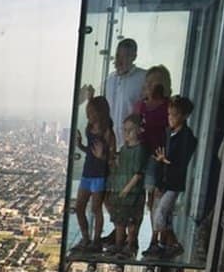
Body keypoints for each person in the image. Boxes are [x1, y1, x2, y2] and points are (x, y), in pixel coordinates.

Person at [149, 94, 197, 258]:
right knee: (165, 216)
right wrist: (158, 182)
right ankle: (167, 245)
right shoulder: (169, 133)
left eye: (174, 115)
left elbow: (181, 162)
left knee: (160, 215)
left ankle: (174, 244)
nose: (170, 118)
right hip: (164, 182)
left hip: (174, 183)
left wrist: (165, 160)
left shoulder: (188, 138)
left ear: (184, 116)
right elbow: (159, 158)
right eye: (169, 114)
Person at [73, 94, 115, 251]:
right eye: (87, 113)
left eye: (91, 113)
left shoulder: (107, 133)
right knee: (79, 207)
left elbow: (112, 158)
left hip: (100, 176)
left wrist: (101, 156)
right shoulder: (89, 129)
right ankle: (85, 238)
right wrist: (80, 146)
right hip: (87, 173)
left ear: (100, 113)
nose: (88, 116)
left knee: (96, 209)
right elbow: (91, 151)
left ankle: (96, 241)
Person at [82, 38, 147, 138]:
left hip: (132, 142)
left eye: (124, 56)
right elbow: (101, 107)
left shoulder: (143, 78)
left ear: (133, 57)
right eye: (118, 55)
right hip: (109, 141)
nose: (119, 60)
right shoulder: (110, 79)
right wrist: (90, 98)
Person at [107, 112, 149, 255]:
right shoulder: (124, 149)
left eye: (130, 130)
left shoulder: (140, 150)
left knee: (132, 223)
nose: (126, 133)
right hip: (120, 190)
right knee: (119, 222)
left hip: (133, 192)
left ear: (138, 130)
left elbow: (138, 174)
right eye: (124, 130)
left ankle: (130, 246)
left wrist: (126, 189)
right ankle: (118, 245)